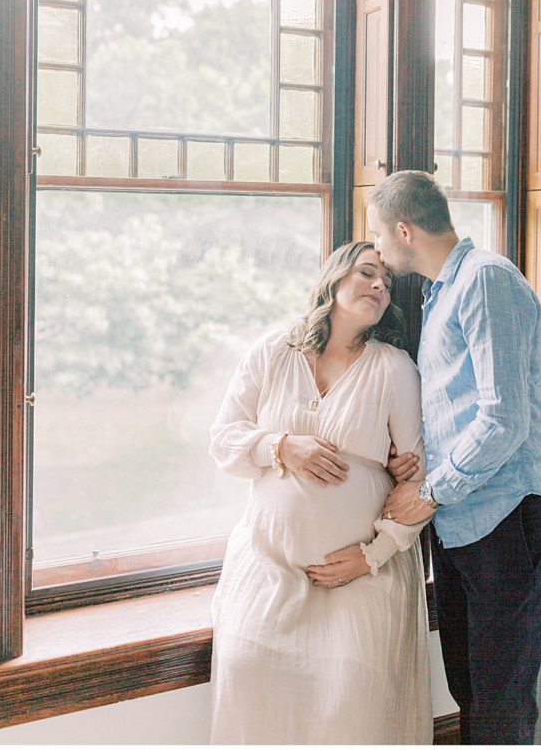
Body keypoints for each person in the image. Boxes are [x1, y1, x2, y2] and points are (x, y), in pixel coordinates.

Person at [367, 170, 541, 746]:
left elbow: (504, 419)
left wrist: (429, 492)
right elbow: (456, 408)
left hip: (508, 516)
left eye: (378, 236)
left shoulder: (485, 281)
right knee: (471, 690)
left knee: (500, 699)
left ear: (404, 229)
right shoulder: (443, 291)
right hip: (461, 521)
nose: (377, 249)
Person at [208, 241, 433, 745]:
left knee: (350, 700)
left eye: (387, 282)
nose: (379, 285)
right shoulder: (273, 351)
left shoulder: (393, 367)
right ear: (332, 280)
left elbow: (419, 480)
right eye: (367, 273)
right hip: (269, 567)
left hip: (359, 576)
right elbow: (223, 441)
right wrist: (281, 445)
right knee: (248, 682)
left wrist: (372, 556)